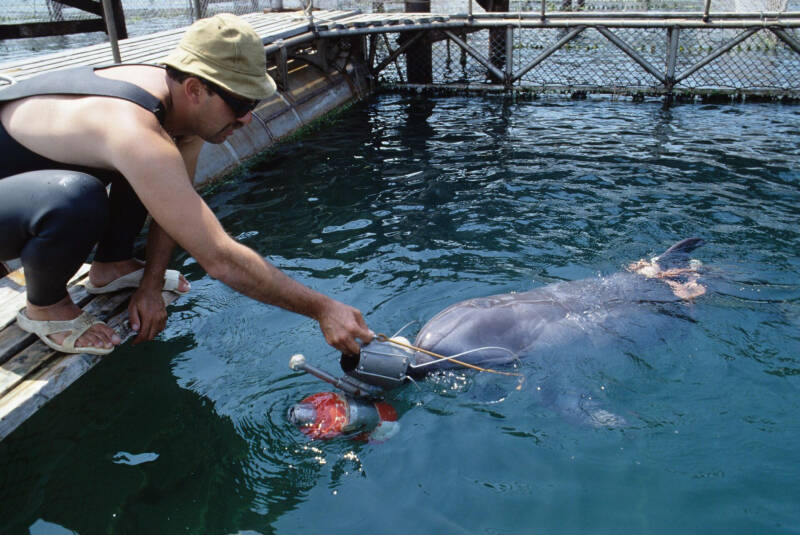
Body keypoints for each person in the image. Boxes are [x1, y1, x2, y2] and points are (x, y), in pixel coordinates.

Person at [0, 13, 373, 356]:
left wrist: (151, 283)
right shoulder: (132, 128)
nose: (247, 119)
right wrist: (324, 308)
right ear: (194, 89)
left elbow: (177, 205)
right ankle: (45, 306)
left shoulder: (177, 109)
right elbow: (220, 260)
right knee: (76, 196)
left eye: (255, 102)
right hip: (22, 195)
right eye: (240, 103)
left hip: (21, 188)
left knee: (155, 173)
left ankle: (111, 266)